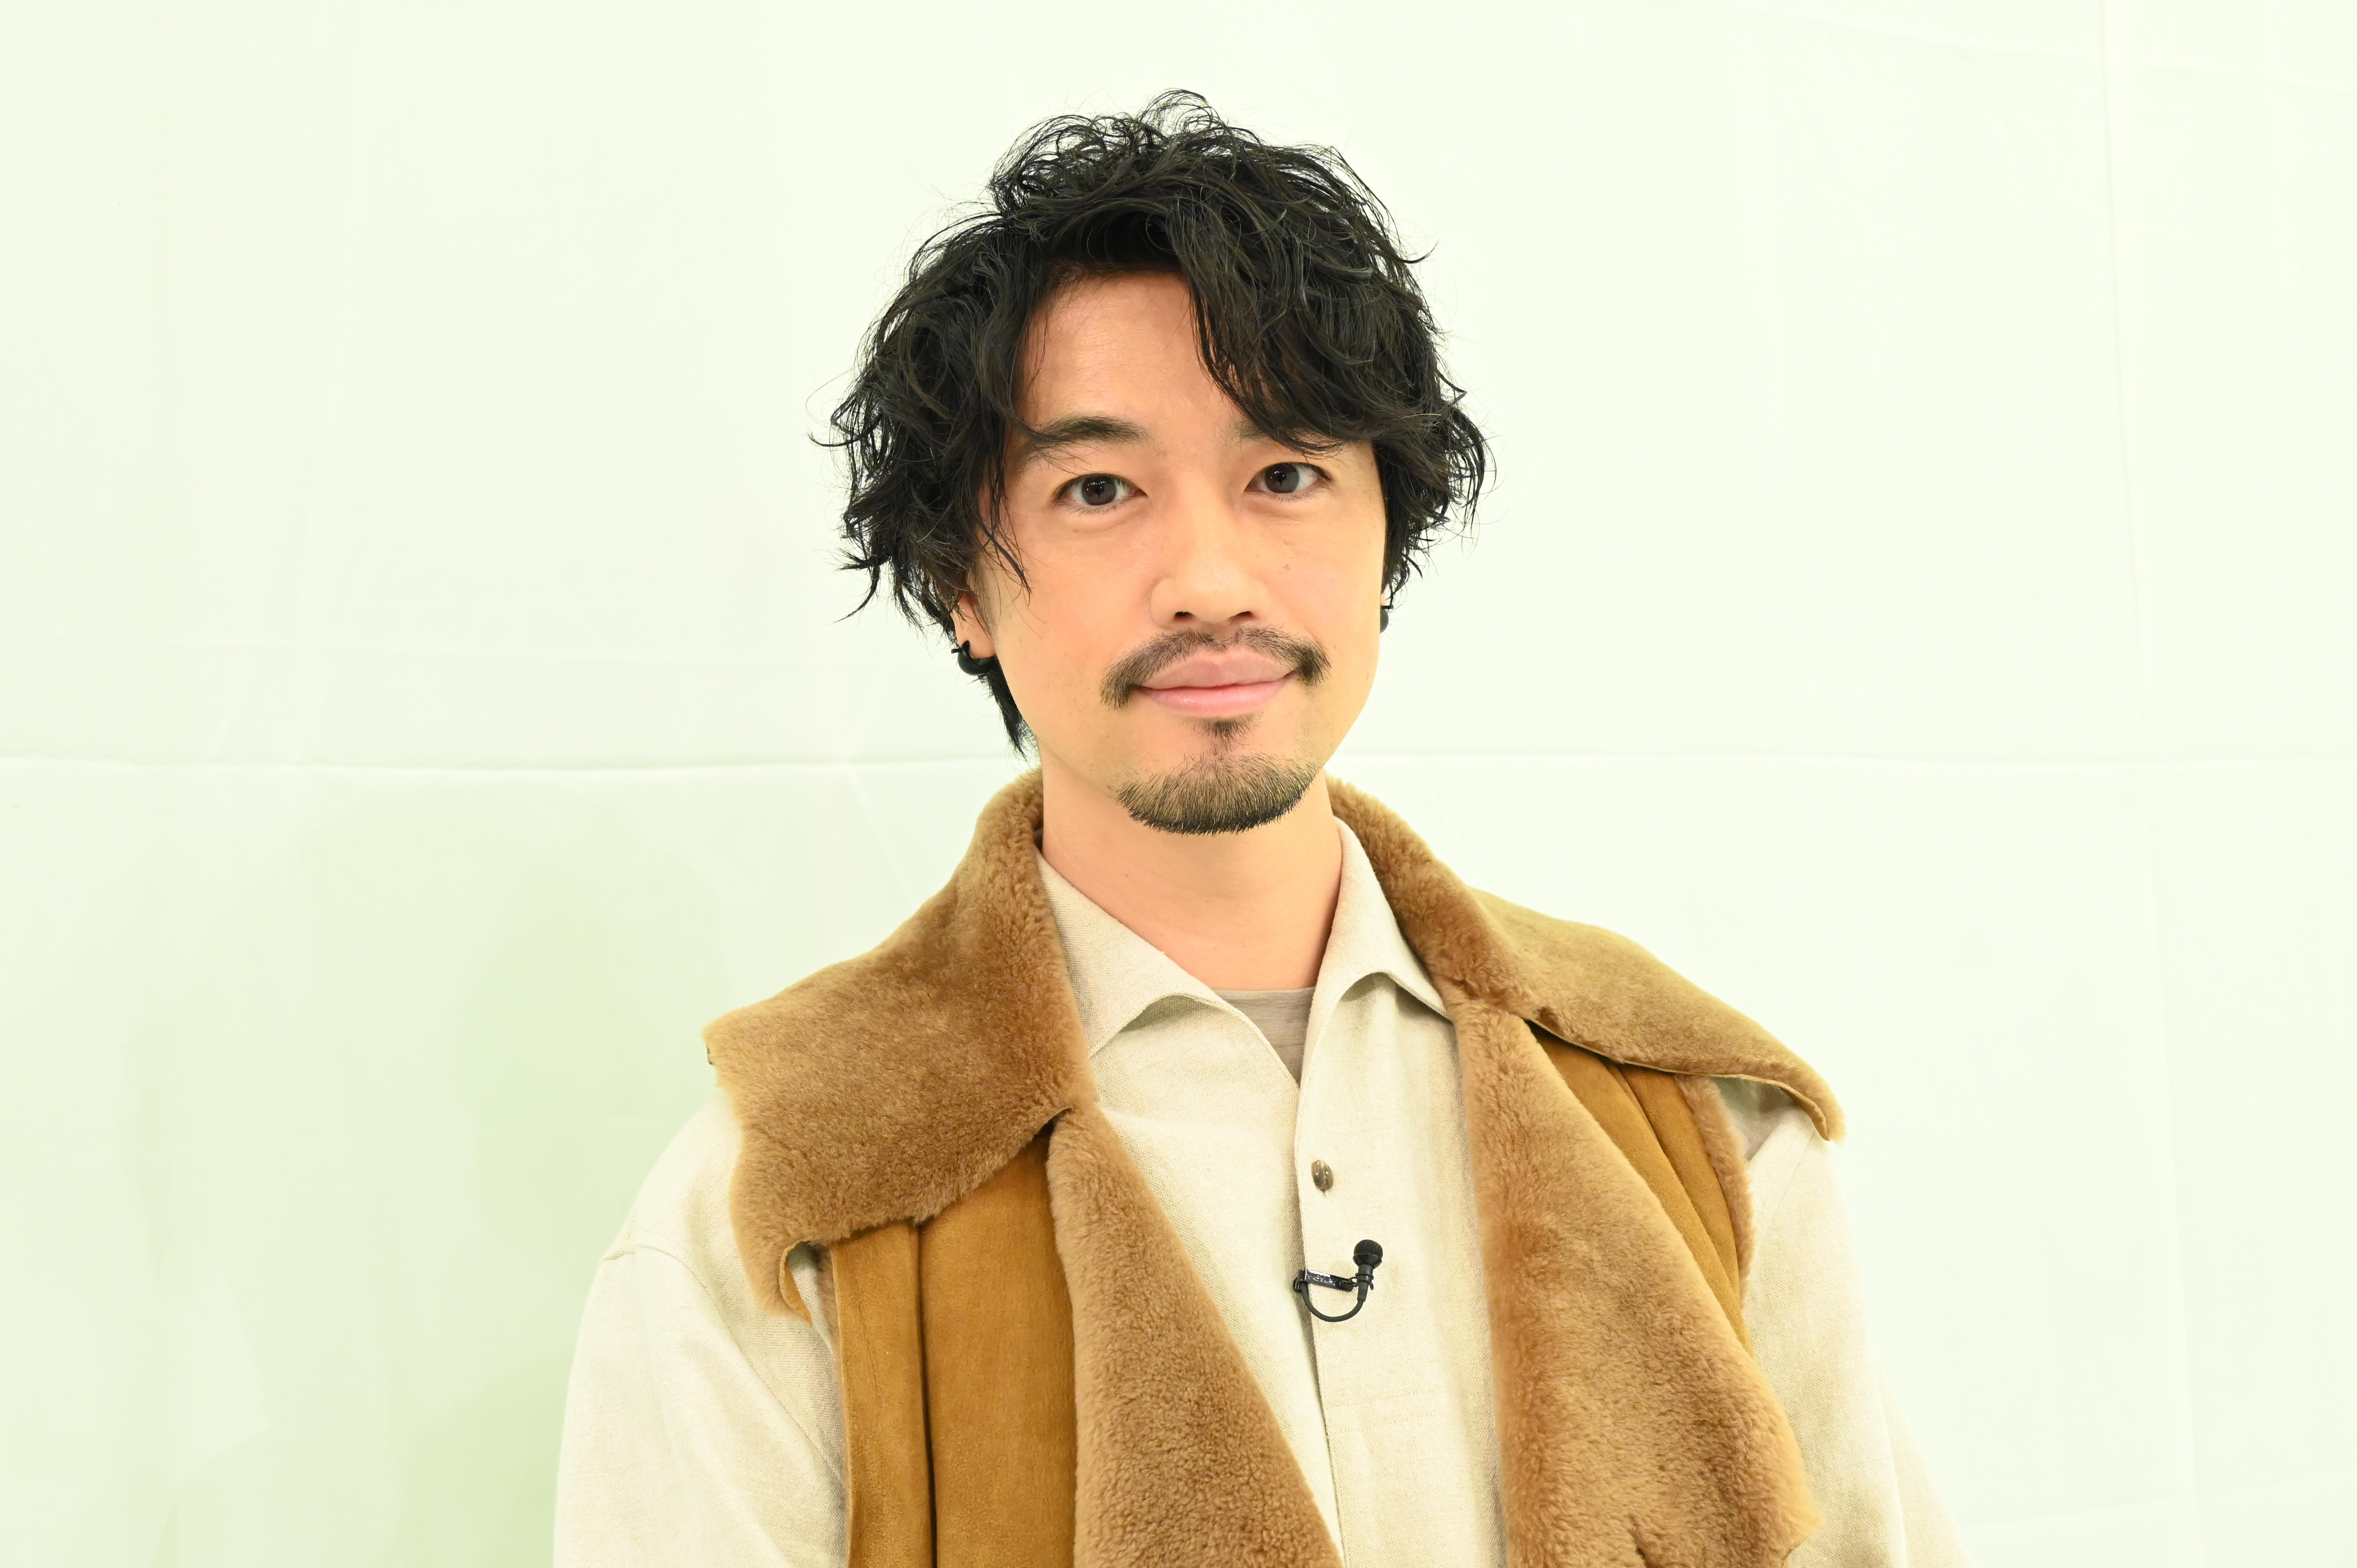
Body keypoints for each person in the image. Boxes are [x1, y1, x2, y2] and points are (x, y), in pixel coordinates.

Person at [555, 92, 1967, 1568]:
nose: (1211, 579)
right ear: (963, 582)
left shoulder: (1695, 1114)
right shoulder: (783, 1201)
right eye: (1099, 489)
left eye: (1285, 475)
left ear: (1387, 532)